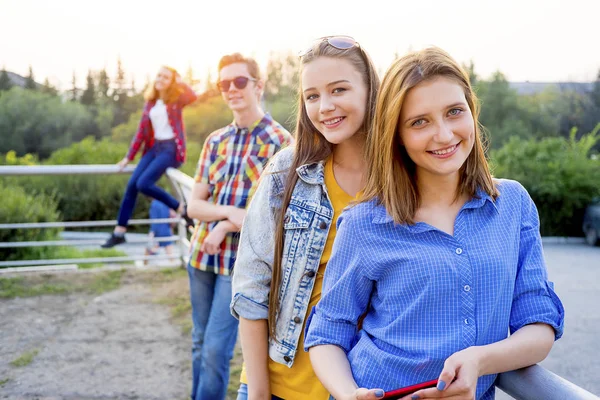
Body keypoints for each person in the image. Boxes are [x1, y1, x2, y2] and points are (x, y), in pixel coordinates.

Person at [304, 46, 565, 400]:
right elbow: (328, 332)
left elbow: (538, 324)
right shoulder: (363, 223)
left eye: (454, 112)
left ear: (472, 112)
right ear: (396, 135)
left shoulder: (513, 205)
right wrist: (350, 394)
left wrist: (479, 360)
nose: (443, 135)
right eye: (419, 122)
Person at [230, 36, 379, 400]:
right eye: (312, 96)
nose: (324, 106)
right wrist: (259, 393)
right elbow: (252, 287)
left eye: (339, 90)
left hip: (356, 387)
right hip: (277, 384)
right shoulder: (287, 172)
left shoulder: (400, 182)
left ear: (370, 91)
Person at [185, 53, 293, 400]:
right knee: (199, 343)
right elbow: (194, 205)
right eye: (224, 84)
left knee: (217, 349)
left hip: (241, 266)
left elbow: (278, 217)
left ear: (258, 86)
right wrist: (231, 214)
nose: (231, 89)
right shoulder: (215, 141)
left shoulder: (281, 143)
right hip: (202, 256)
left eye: (240, 81)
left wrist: (223, 226)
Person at [102, 66, 197, 248]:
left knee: (144, 184)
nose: (161, 79)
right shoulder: (151, 102)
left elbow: (193, 96)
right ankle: (119, 232)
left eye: (166, 77)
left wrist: (179, 81)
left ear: (171, 81)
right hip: (154, 148)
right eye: (159, 75)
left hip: (170, 149)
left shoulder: (175, 100)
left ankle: (180, 208)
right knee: (132, 185)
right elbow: (140, 132)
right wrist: (128, 157)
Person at [143, 199, 177, 265]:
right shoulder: (165, 202)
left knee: (149, 247)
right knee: (169, 250)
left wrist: (152, 231)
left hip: (157, 230)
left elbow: (154, 219)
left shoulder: (154, 204)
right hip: (166, 229)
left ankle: (145, 265)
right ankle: (173, 264)